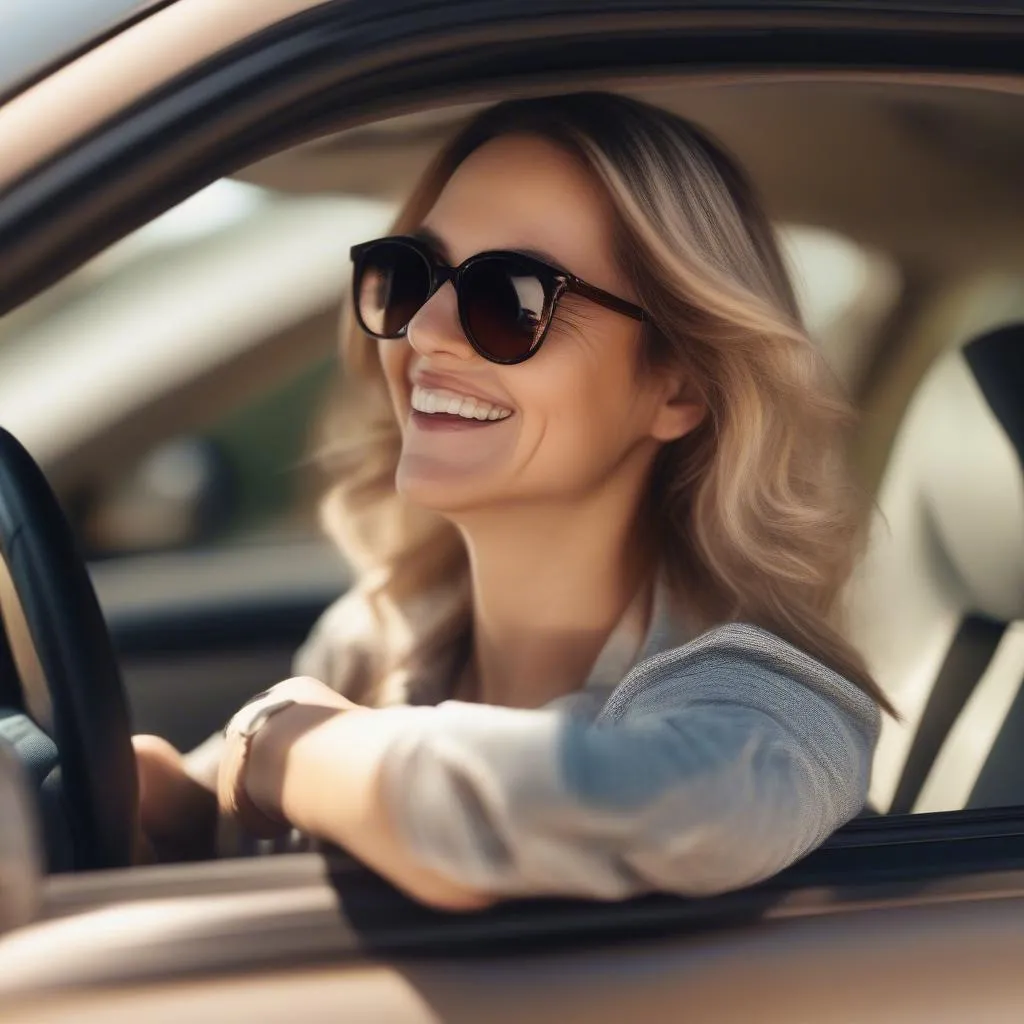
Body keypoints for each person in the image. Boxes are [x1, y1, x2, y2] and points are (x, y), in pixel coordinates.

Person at [133, 92, 890, 909]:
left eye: (511, 299)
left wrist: (294, 746)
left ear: (679, 387)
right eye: (414, 275)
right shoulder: (383, 633)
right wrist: (149, 789)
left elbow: (580, 806)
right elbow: (210, 801)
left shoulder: (773, 709)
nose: (425, 329)